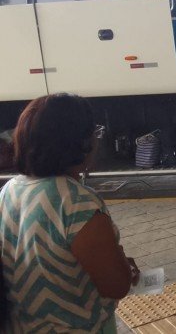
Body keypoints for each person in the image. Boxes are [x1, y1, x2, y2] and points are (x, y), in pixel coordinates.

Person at [0, 93, 139, 333]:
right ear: (79, 142)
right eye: (93, 132)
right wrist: (126, 270)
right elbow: (116, 287)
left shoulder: (10, 190)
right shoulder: (77, 203)